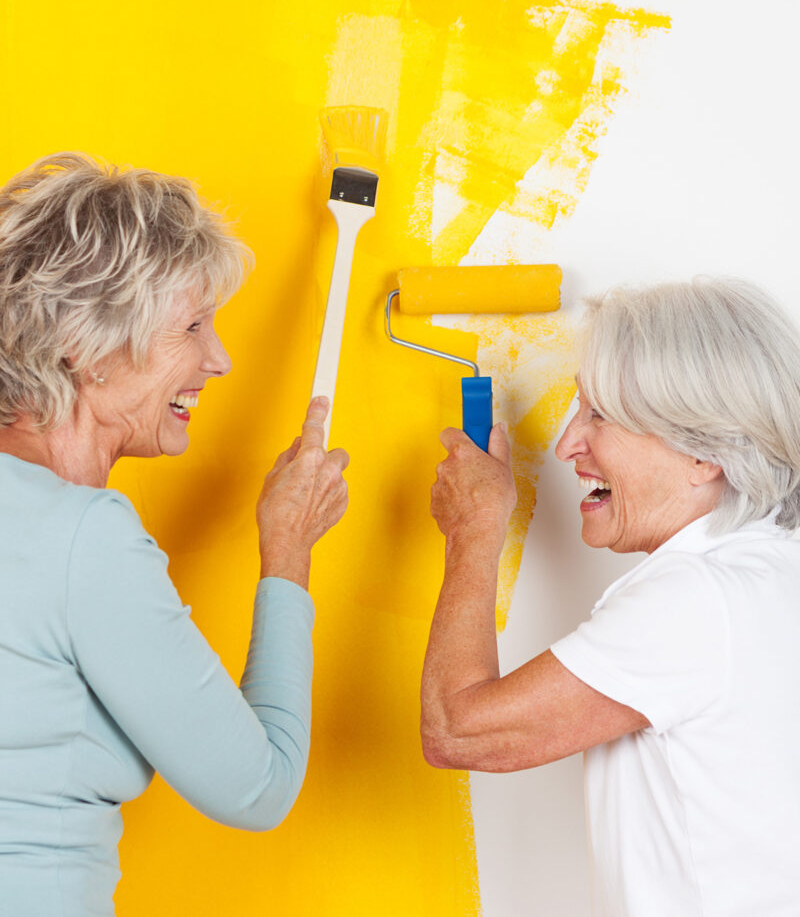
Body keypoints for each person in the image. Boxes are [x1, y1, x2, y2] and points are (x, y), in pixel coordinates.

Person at [0, 153, 349, 917]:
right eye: (192, 326)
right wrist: (287, 550)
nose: (219, 359)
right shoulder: (82, 536)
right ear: (86, 347)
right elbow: (257, 786)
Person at [421, 277, 800, 916]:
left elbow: (459, 732)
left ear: (703, 452)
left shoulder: (696, 598)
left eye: (600, 415)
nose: (568, 442)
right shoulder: (773, 569)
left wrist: (474, 531)